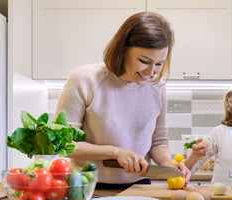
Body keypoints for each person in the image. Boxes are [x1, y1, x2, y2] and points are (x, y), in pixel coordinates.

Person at [55, 12, 191, 189]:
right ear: (122, 50)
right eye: (144, 61)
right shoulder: (85, 79)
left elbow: (158, 140)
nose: (151, 72)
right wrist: (114, 152)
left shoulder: (157, 87)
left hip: (140, 185)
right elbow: (62, 143)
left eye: (159, 64)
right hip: (87, 186)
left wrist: (167, 163)